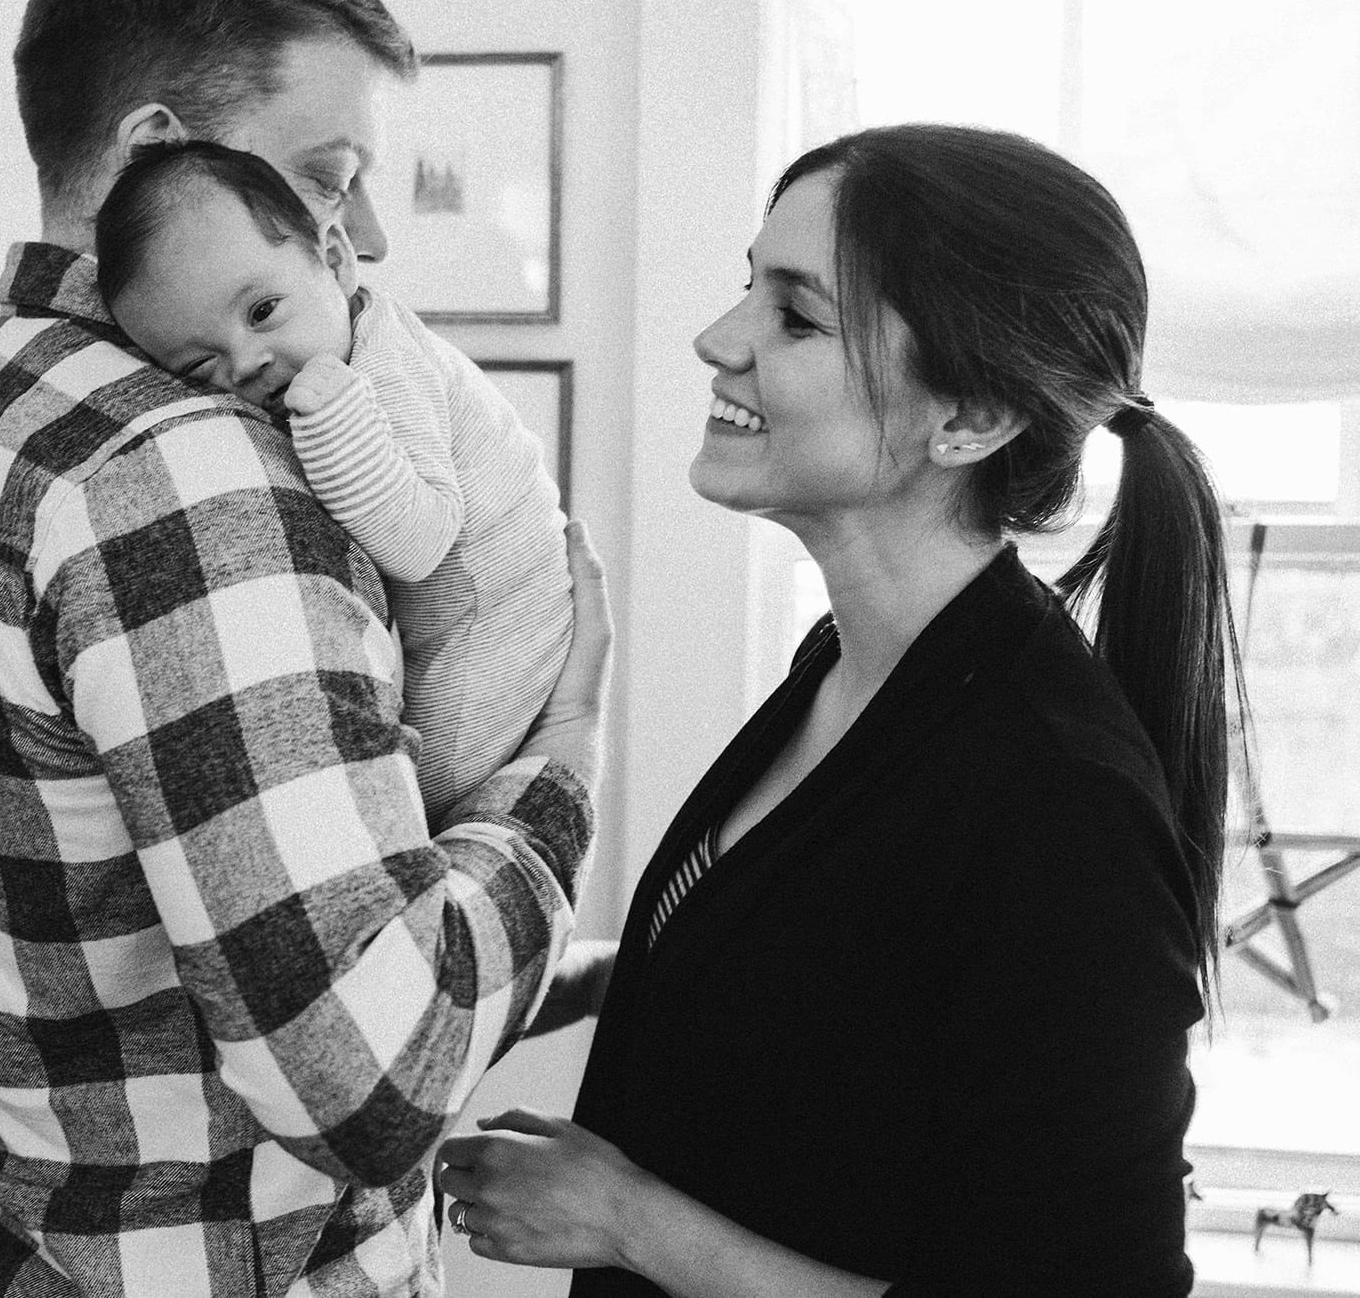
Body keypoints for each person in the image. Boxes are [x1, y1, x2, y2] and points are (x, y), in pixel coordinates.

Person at [0, 0, 611, 1298]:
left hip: (3, 1242)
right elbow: (368, 1082)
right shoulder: (194, 475)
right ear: (153, 155)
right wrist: (554, 779)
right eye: (326, 175)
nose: (364, 234)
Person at [437, 123, 1241, 1296]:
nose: (718, 340)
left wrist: (627, 1219)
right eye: (747, 285)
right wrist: (607, 971)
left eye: (797, 317)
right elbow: (861, 978)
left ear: (968, 419)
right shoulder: (851, 663)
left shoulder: (1060, 802)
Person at [94, 138, 573, 821]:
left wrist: (329, 417)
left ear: (335, 259)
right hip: (463, 640)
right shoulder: (320, 351)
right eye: (202, 366)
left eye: (262, 311)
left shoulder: (383, 364)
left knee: (405, 809)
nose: (248, 361)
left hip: (496, 644)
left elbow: (419, 541)